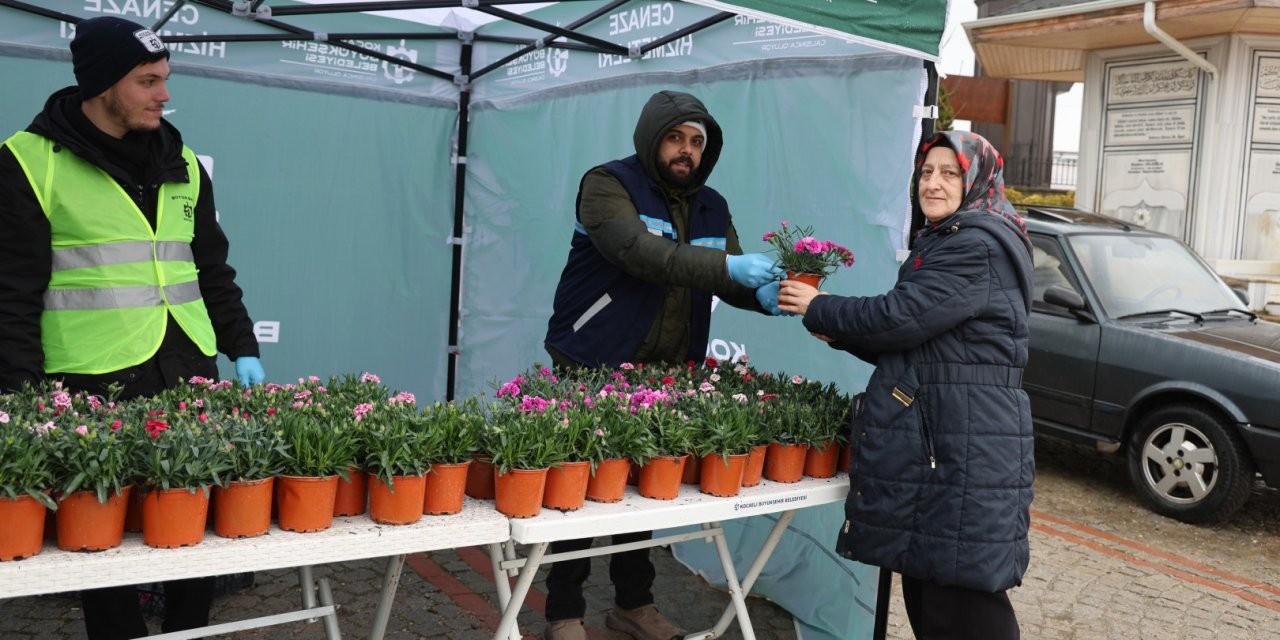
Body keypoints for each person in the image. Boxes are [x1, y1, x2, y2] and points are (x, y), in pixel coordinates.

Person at [0, 16, 265, 640]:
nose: (164, 95)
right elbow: (11, 295)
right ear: (101, 85)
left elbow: (210, 270)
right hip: (90, 380)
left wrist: (241, 345)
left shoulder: (184, 163)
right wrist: (22, 396)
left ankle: (186, 631)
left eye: (165, 79)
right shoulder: (27, 164)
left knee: (194, 527)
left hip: (188, 370)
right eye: (148, 81)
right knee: (102, 541)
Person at [542, 89, 783, 640]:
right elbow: (639, 253)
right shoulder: (606, 185)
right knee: (581, 489)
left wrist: (768, 295)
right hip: (593, 360)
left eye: (696, 142)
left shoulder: (712, 206)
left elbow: (727, 275)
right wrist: (730, 266)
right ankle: (564, 613)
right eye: (675, 138)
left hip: (669, 372)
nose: (686, 151)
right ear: (653, 139)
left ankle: (634, 604)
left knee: (651, 490)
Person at [778, 130, 1034, 640]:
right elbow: (916, 341)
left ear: (976, 179)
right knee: (932, 588)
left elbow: (901, 317)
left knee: (960, 599)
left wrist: (819, 306)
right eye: (926, 172)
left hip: (962, 443)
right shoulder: (948, 240)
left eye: (949, 173)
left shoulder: (975, 245)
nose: (933, 184)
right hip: (947, 437)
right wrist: (835, 328)